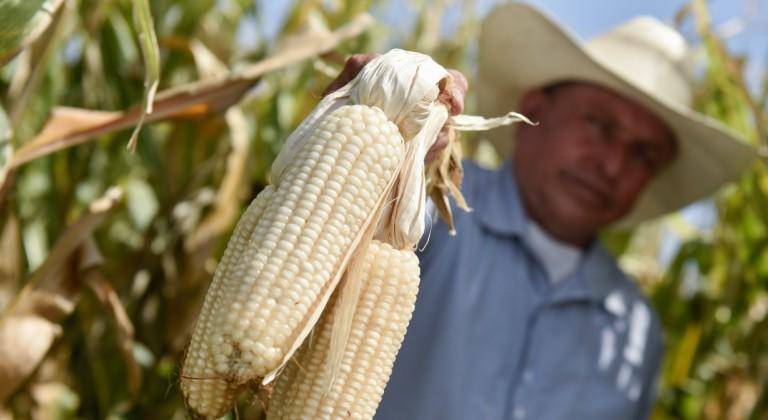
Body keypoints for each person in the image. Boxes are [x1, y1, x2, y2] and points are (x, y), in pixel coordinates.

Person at [328, 3, 757, 419]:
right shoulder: (428, 202)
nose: (612, 165)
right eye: (600, 125)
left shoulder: (637, 333)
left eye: (643, 154)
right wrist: (360, 138)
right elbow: (337, 228)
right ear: (534, 110)